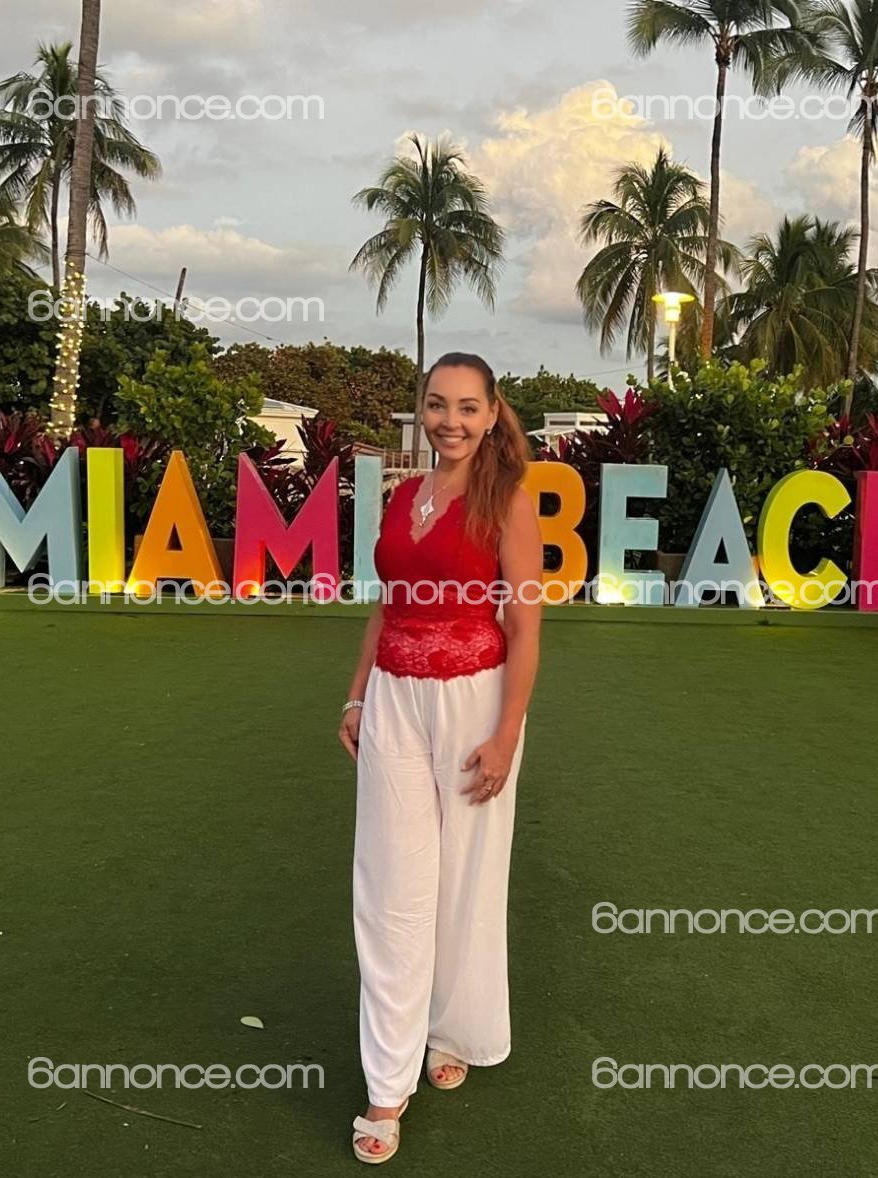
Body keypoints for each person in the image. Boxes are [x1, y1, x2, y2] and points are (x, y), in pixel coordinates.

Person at [338, 352, 543, 1164]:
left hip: (473, 704)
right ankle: (386, 1083)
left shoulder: (509, 500)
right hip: (394, 697)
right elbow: (387, 606)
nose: (449, 421)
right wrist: (356, 695)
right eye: (435, 404)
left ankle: (453, 1029)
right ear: (421, 411)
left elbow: (525, 625)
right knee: (390, 886)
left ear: (491, 414)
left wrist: (506, 734)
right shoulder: (404, 496)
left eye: (465, 407)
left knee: (466, 879)